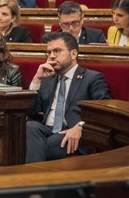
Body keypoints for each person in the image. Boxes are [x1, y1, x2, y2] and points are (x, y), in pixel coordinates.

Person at [25, 32, 110, 163]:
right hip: (47, 129)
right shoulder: (47, 79)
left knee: (35, 147)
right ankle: (35, 179)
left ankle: (29, 179)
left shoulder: (92, 78)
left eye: (57, 51)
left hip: (72, 131)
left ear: (73, 54)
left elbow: (104, 110)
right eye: (48, 52)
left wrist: (80, 126)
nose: (51, 56)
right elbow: (31, 110)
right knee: (30, 126)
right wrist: (36, 80)